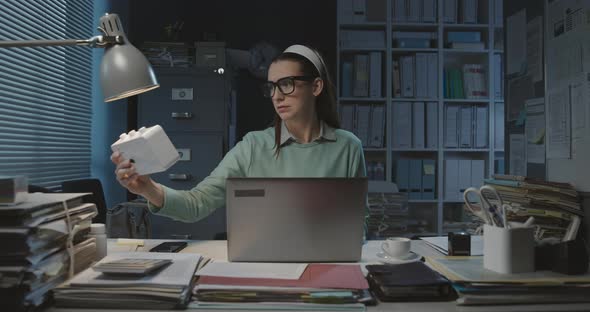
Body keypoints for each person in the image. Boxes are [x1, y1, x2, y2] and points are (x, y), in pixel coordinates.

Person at [112, 44, 367, 223]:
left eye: (286, 84)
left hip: (328, 265)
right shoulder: (253, 146)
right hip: (266, 267)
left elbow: (359, 223)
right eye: (271, 87)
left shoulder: (348, 147)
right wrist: (147, 188)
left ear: (316, 86)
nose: (277, 96)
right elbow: (197, 203)